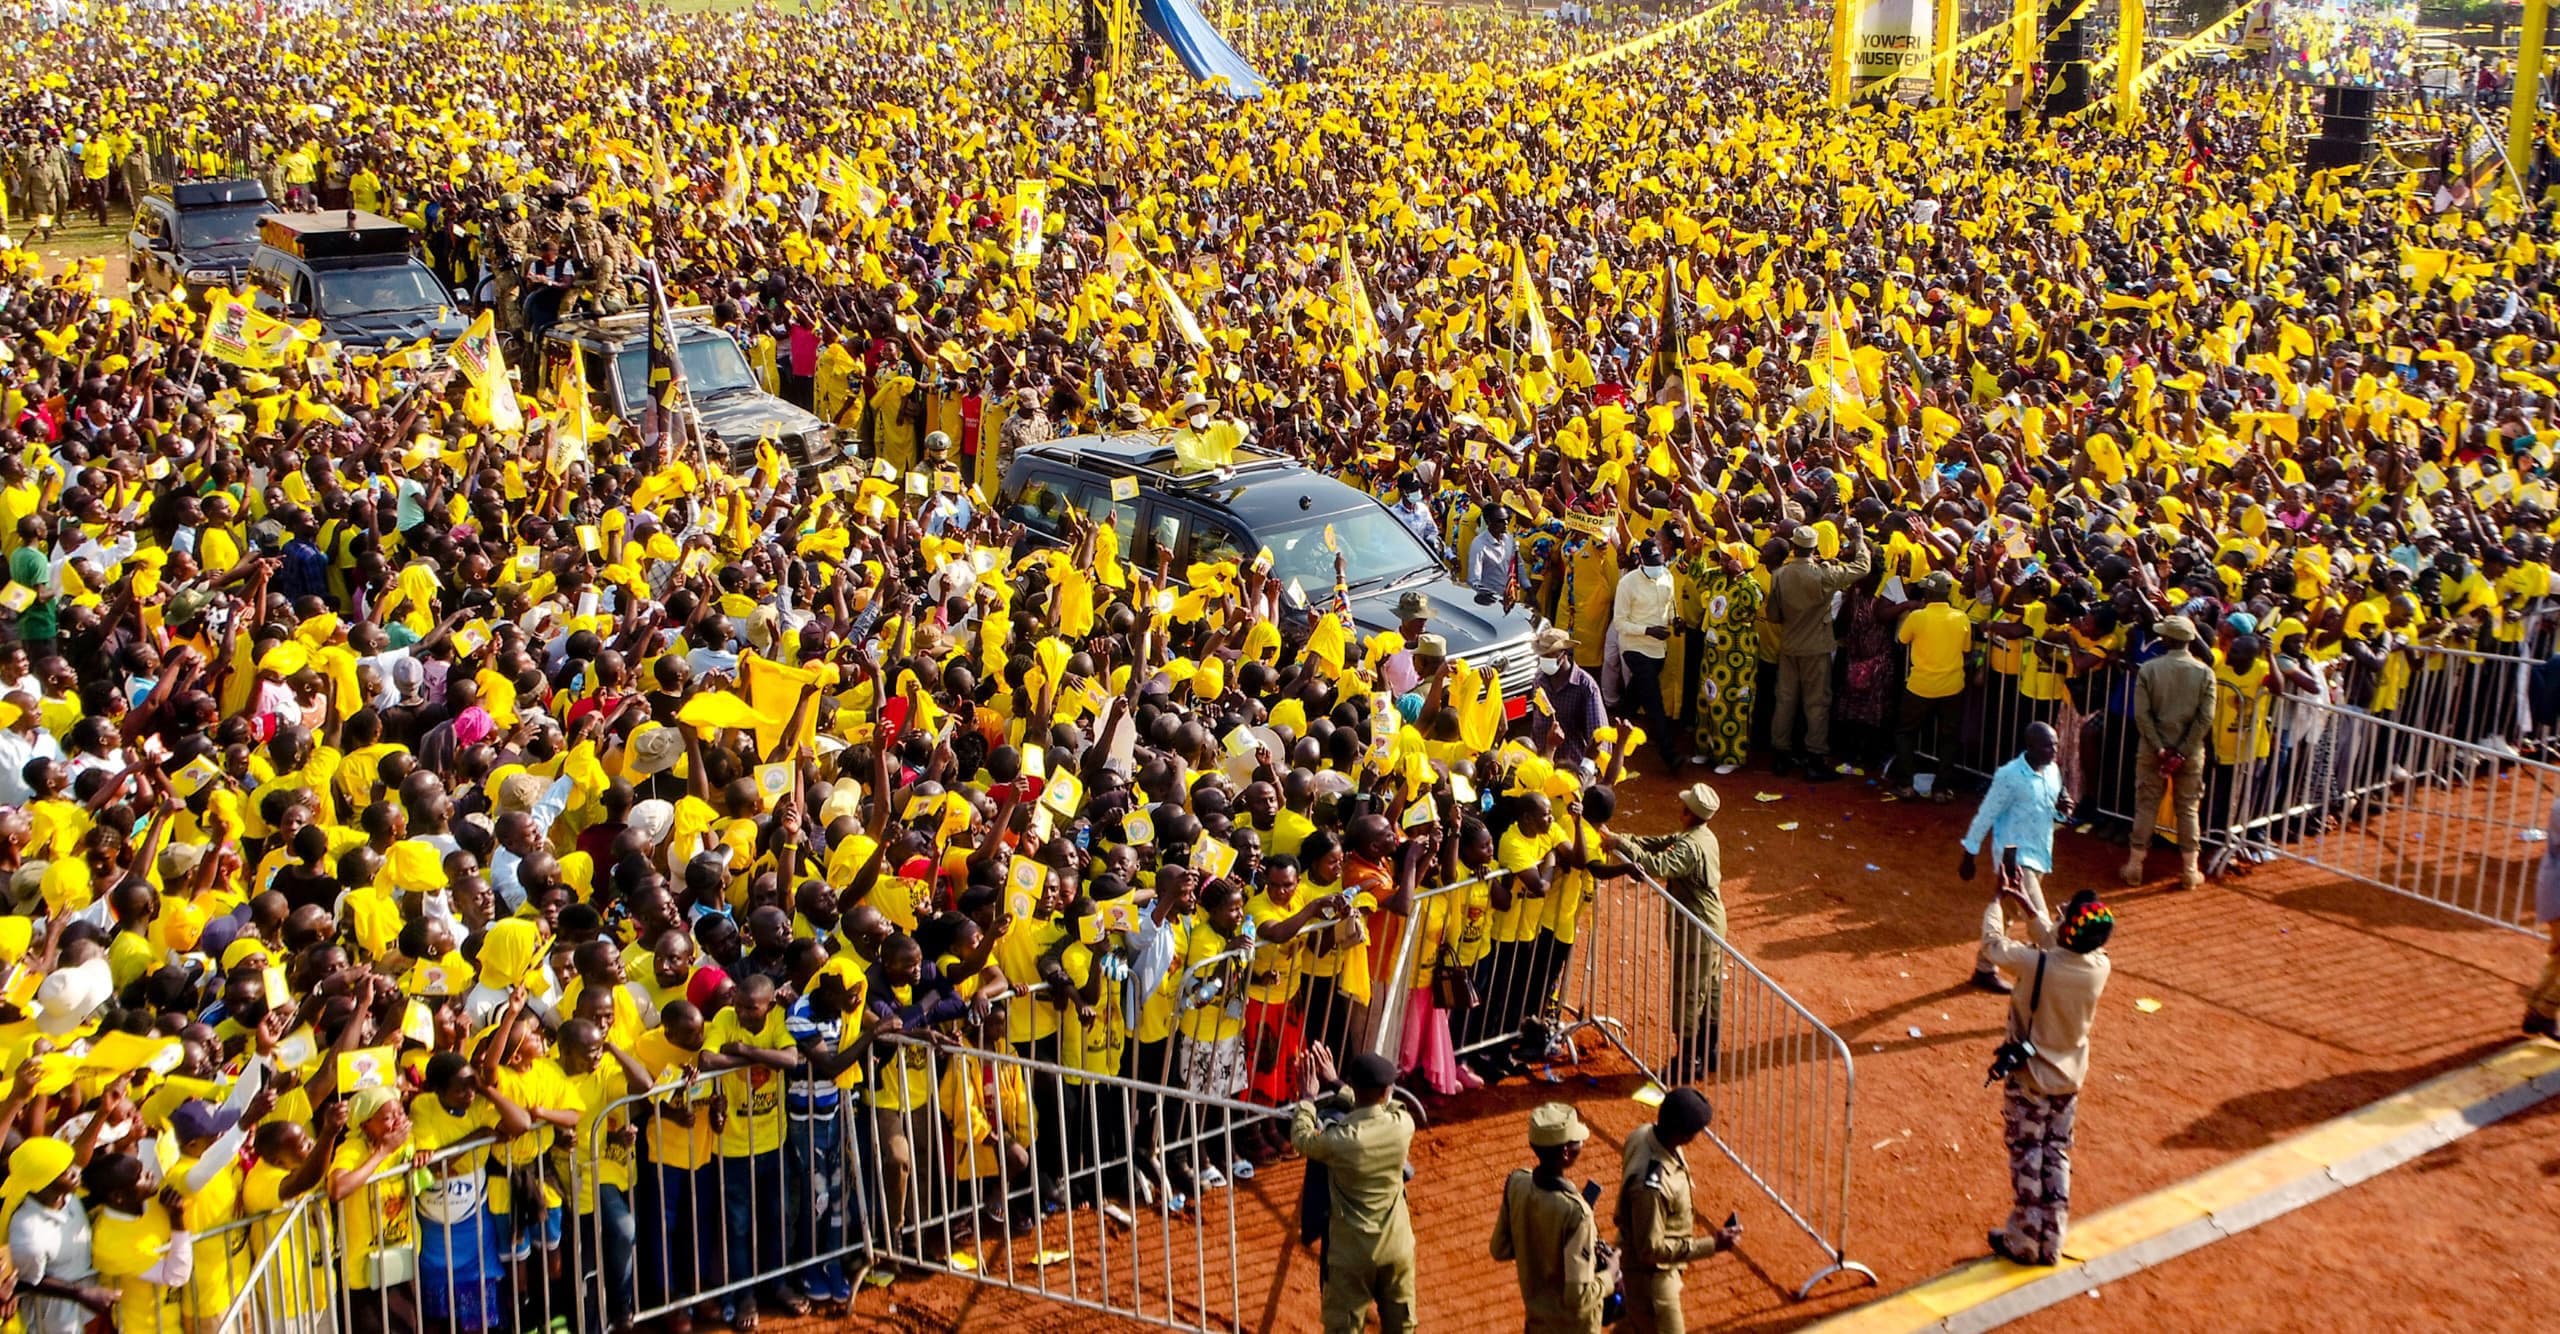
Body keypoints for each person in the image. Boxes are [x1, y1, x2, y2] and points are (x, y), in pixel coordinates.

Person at [1980, 887, 2115, 1266]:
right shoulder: (2098, 967)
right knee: (2055, 1153)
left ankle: (2024, 1237)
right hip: (2069, 1077)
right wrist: (2028, 906)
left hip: (2031, 1077)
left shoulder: (2036, 965)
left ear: (2068, 929)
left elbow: (1993, 945)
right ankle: (2051, 1239)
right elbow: (2059, 944)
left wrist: (1995, 903)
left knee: (2027, 1154)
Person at [1291, 1045, 1416, 1334]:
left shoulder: (1340, 1141)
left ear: (1356, 1088)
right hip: (1397, 1247)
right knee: (1402, 1326)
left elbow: (1302, 1138)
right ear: (1387, 1092)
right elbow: (1384, 1108)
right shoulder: (1402, 1126)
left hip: (1351, 1255)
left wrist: (1308, 1098)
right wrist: (1336, 1083)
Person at [1607, 783, 1723, 1080]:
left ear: (1688, 812)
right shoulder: (1703, 837)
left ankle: (1686, 1062)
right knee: (1709, 991)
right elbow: (1657, 843)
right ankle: (1707, 1054)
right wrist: (1622, 839)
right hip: (1712, 924)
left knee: (1688, 993)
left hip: (1695, 928)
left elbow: (1652, 864)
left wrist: (1620, 845)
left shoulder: (1688, 846)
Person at [1612, 1087, 1740, 1334]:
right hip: (1653, 1278)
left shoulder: (1643, 1134)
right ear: (1683, 1135)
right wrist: (1712, 1244)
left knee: (1633, 1325)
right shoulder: (1652, 1188)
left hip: (1648, 1264)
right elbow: (1650, 1250)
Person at [1958, 722, 2070, 994]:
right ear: (2029, 747)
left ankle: (1984, 969)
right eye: (2046, 745)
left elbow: (2052, 813)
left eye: (2055, 744)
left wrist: (2062, 811)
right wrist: (1969, 852)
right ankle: (2048, 981)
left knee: (2007, 912)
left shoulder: (2053, 772)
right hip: (2016, 859)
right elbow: (1987, 813)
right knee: (2040, 922)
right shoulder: (2009, 776)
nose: (2053, 750)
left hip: (2040, 854)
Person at [1766, 522, 1873, 781]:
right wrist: (1858, 540)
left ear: (1793, 546)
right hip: (1816, 648)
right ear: (1814, 549)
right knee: (1816, 704)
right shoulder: (1824, 575)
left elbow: (1773, 614)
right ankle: (1815, 758)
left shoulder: (1780, 575)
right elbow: (1863, 567)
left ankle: (1780, 755)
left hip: (1789, 645)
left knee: (1785, 701)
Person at [1489, 1102, 1608, 1334]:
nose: (1582, 1144)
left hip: (1536, 1324)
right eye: (1577, 1141)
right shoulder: (1577, 1213)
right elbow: (1578, 1297)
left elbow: (1499, 1249)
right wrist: (1610, 1275)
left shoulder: (1517, 1182)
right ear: (1565, 1152)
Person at [2122, 615, 2217, 890]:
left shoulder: (2149, 670)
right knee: (2188, 809)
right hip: (2190, 751)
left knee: (2146, 805)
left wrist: (2161, 749)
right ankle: (2189, 871)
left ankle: (2134, 867)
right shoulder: (2204, 673)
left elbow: (2142, 715)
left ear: (2168, 640)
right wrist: (2183, 752)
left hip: (2153, 749)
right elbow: (2204, 719)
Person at [1892, 571, 1970, 799]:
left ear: (1928, 592)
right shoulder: (1961, 617)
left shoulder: (1917, 616)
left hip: (1920, 686)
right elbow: (1966, 649)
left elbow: (1902, 639)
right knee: (1948, 738)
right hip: (1952, 687)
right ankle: (1941, 789)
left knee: (1905, 733)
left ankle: (1906, 785)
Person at [1611, 538, 1679, 772]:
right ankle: (1669, 754)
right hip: (1634, 647)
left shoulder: (1668, 577)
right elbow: (1620, 623)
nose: (1656, 566)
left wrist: (1674, 621)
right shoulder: (1628, 584)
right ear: (1641, 560)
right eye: (1652, 562)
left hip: (1658, 650)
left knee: (1633, 697)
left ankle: (1614, 734)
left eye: (1659, 561)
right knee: (1654, 701)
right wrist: (1647, 630)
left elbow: (1670, 607)